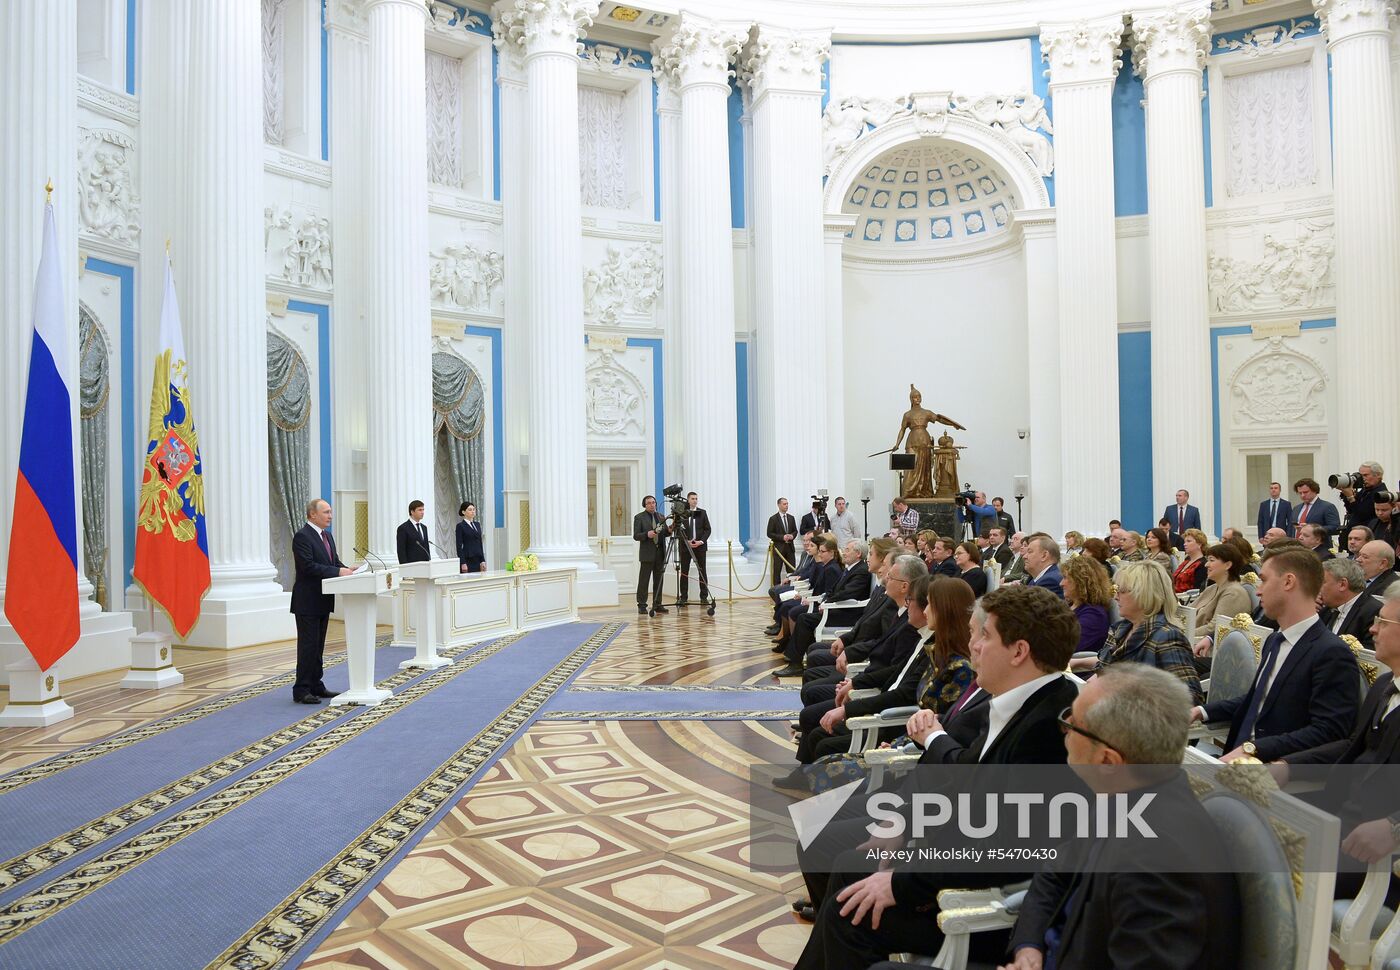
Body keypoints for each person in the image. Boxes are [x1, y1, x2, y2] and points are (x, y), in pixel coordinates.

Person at [794, 586, 1080, 970]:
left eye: (984, 635)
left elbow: (1003, 847)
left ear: (1019, 651)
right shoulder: (1016, 702)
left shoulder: (1047, 729)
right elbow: (962, 786)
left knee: (851, 912)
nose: (973, 644)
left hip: (986, 904)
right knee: (848, 872)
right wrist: (904, 823)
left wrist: (902, 881)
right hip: (950, 861)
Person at [1002, 665, 1242, 970]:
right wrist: (1028, 947)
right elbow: (1056, 870)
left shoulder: (1158, 864)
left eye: (1072, 723)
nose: (1064, 728)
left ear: (1107, 760)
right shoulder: (1128, 793)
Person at [1272, 583, 1400, 906]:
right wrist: (1290, 766)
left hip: (1379, 856)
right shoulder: (1384, 684)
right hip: (1340, 823)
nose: (1372, 628)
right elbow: (1350, 745)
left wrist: (1395, 828)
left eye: (1383, 622)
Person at [1191, 547, 1359, 762]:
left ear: (1288, 582)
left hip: (1271, 769)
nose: (1258, 591)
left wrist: (1253, 750)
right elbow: (1260, 700)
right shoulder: (1274, 640)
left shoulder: (1331, 652)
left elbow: (1329, 732)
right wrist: (1201, 711)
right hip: (1237, 758)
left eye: (1263, 580)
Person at [1080, 561, 1202, 703]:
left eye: (1122, 591)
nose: (1115, 597)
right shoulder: (1122, 628)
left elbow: (1190, 698)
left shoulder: (1166, 637)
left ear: (1144, 594)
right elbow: (1106, 665)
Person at [290, 498, 354, 704]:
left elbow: (333, 562)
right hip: (307, 601)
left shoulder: (327, 536)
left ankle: (316, 685)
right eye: (326, 512)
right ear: (312, 515)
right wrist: (338, 571)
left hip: (323, 599)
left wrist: (349, 570)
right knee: (308, 647)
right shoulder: (302, 537)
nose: (330, 516)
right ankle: (301, 689)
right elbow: (308, 566)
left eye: (330, 512)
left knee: (318, 647)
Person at [783, 539, 873, 662]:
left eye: (847, 550)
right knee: (804, 617)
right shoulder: (851, 568)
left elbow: (847, 593)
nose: (844, 553)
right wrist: (825, 599)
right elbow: (834, 589)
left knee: (804, 618)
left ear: (858, 554)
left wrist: (827, 603)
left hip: (848, 613)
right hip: (839, 609)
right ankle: (805, 656)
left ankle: (795, 662)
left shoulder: (861, 571)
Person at [1189, 542, 1254, 669]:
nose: (1206, 564)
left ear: (1228, 565)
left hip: (1208, 652)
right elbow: (1188, 612)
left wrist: (1182, 633)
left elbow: (1215, 628)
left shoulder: (1234, 593)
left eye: (1211, 560)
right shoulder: (1212, 588)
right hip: (1192, 642)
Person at [1318, 557, 1382, 650]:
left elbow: (1367, 658)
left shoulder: (1373, 612)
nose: (1317, 587)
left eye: (1322, 582)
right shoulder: (1326, 608)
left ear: (1343, 585)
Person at [1061, 553, 1111, 658]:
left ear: (1081, 581)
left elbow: (1065, 646)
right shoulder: (1070, 604)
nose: (1061, 583)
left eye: (1065, 578)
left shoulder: (1094, 614)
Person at [632, 495, 669, 615]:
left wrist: (671, 528)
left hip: (660, 553)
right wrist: (647, 534)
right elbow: (636, 536)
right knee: (644, 580)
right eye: (649, 503)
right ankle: (642, 605)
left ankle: (657, 604)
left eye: (653, 502)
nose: (652, 505)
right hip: (647, 553)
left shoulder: (661, 516)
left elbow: (665, 533)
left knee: (659, 580)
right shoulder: (639, 517)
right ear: (645, 505)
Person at [677, 491, 712, 607]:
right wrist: (686, 541)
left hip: (700, 547)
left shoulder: (702, 512)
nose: (695, 500)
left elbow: (708, 529)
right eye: (692, 498)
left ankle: (704, 597)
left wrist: (700, 541)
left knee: (702, 571)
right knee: (684, 572)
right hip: (685, 547)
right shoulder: (682, 513)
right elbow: (678, 529)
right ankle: (683, 598)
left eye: (696, 498)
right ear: (688, 500)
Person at [1338, 460, 1387, 532]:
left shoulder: (1381, 493)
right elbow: (1351, 510)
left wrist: (1351, 497)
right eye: (1361, 475)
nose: (1362, 478)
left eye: (1366, 475)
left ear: (1378, 475)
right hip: (1354, 531)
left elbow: (1362, 514)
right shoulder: (1365, 490)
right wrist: (1346, 494)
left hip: (1367, 533)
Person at [766, 497, 797, 586]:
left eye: (787, 504)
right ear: (779, 505)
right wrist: (782, 537)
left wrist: (792, 536)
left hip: (790, 548)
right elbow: (769, 533)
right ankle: (776, 590)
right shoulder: (773, 519)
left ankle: (790, 589)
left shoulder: (791, 518)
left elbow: (795, 531)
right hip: (778, 549)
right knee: (777, 570)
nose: (786, 506)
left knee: (791, 570)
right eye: (784, 504)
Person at [1022, 533, 1063, 598]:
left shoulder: (1050, 581)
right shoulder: (1037, 579)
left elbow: (1028, 607)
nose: (1024, 556)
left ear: (1044, 555)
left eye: (1029, 552)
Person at [1171, 528, 1209, 593]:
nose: (1184, 544)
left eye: (1189, 541)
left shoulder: (1202, 564)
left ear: (1199, 544)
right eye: (1185, 541)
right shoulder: (1186, 561)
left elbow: (1198, 590)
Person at [395, 499, 432, 564]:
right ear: (412, 512)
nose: (422, 512)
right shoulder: (403, 528)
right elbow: (401, 551)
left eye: (423, 510)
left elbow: (426, 547)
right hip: (411, 566)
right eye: (420, 510)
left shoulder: (424, 528)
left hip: (425, 566)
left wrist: (429, 561)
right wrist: (404, 567)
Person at [455, 501, 486, 573]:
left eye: (473, 509)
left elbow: (480, 543)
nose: (473, 511)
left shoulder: (477, 524)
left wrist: (483, 560)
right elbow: (459, 546)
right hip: (468, 559)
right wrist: (463, 562)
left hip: (478, 559)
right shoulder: (460, 526)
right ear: (463, 512)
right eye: (470, 509)